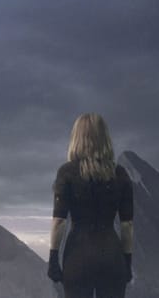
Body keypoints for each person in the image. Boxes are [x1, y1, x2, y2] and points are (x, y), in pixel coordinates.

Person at [47, 113, 134, 298]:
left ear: (77, 138)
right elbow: (127, 225)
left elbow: (59, 221)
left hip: (78, 256)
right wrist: (127, 261)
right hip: (111, 255)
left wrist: (53, 258)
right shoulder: (120, 174)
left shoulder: (67, 172)